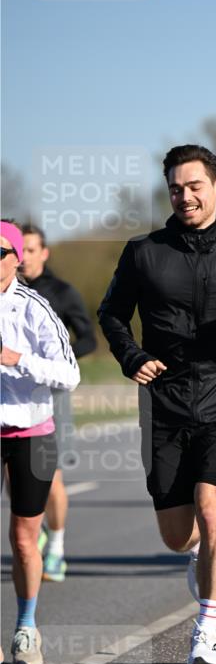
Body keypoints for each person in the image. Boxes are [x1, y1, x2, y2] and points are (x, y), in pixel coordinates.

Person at [98, 144, 216, 664]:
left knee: (212, 507)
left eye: (195, 185)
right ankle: (200, 556)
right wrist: (132, 356)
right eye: (176, 188)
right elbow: (112, 314)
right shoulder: (144, 252)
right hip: (164, 401)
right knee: (178, 535)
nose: (185, 196)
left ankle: (207, 628)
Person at [1, 221, 80, 664]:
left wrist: (17, 359)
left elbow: (69, 375)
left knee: (24, 538)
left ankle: (26, 628)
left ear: (16, 258)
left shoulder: (36, 308)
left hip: (31, 433)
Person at [21, 224, 97, 582]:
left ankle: (57, 549)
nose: (25, 257)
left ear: (44, 253)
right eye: (21, 250)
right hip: (15, 396)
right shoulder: (9, 290)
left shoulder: (62, 293)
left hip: (51, 394)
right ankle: (35, 536)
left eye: (32, 250)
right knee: (16, 476)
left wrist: (59, 362)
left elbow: (88, 340)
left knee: (50, 477)